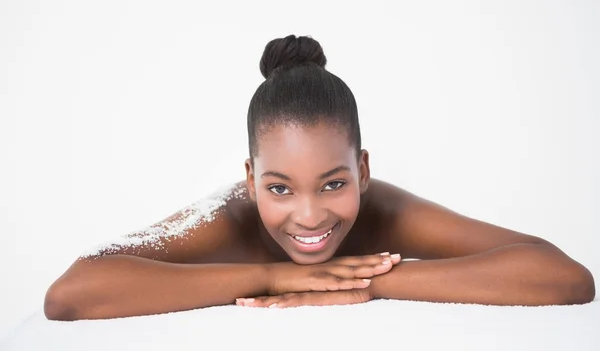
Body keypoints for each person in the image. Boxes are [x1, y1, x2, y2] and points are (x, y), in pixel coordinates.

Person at [44, 35, 595, 321]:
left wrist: (367, 282)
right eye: (278, 188)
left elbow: (564, 277)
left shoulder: (386, 210)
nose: (309, 217)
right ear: (250, 177)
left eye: (333, 183)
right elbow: (71, 293)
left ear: (363, 170)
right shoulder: (227, 220)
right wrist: (273, 277)